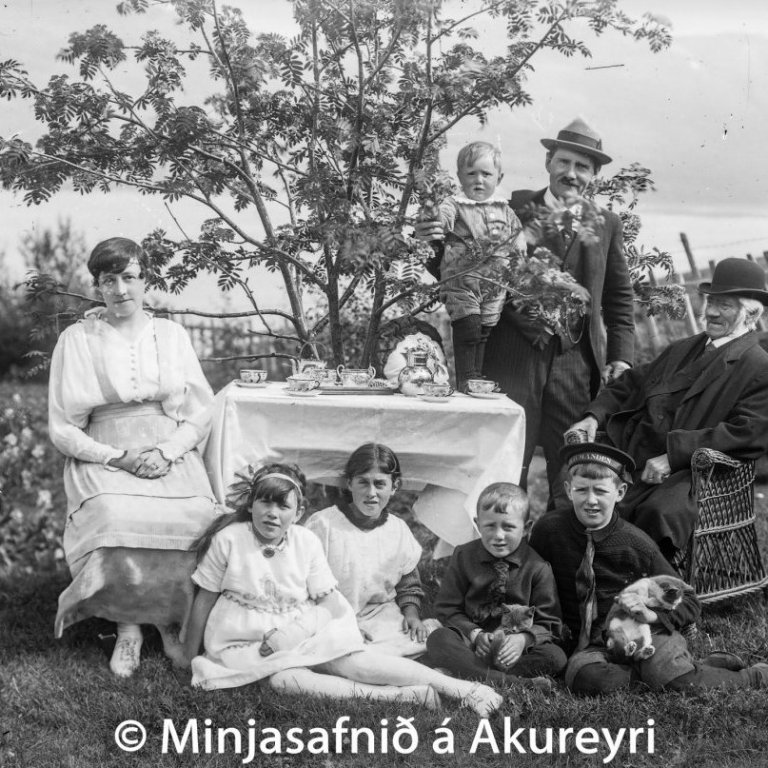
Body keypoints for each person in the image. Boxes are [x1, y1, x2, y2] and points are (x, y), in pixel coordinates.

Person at [416, 119, 635, 504]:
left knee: (572, 474)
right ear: (549, 161)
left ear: (594, 174)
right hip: (510, 357)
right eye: (564, 162)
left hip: (575, 368)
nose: (571, 174)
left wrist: (621, 357)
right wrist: (430, 242)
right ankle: (499, 560)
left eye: (582, 167)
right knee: (503, 470)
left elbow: (618, 299)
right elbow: (457, 264)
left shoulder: (608, 225)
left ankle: (561, 561)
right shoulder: (508, 206)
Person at [182, 463, 504, 717]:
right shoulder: (230, 540)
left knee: (351, 662)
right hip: (244, 639)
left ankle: (463, 690)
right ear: (251, 504)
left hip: (298, 627)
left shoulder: (304, 541)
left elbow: (326, 601)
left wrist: (293, 634)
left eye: (283, 506)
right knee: (285, 680)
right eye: (264, 502)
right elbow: (204, 598)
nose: (272, 513)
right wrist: (188, 655)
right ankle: (401, 696)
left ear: (299, 511)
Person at [49, 237, 220, 677]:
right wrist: (118, 457)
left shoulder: (171, 334)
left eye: (130, 277)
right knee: (115, 514)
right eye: (110, 280)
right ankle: (128, 629)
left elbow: (201, 409)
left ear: (146, 280)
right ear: (98, 286)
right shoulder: (77, 339)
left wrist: (169, 450)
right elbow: (63, 426)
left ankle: (169, 620)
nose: (121, 289)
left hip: (167, 447)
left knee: (198, 517)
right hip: (107, 449)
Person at [567, 257, 768, 564]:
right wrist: (592, 417)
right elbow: (631, 383)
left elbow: (748, 432)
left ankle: (636, 576)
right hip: (633, 452)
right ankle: (576, 568)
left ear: (750, 313)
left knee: (658, 511)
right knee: (583, 483)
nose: (711, 311)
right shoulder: (684, 347)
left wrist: (674, 456)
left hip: (694, 471)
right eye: (711, 301)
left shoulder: (758, 366)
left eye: (725, 306)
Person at [529, 442, 768, 694]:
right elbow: (530, 576)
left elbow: (689, 601)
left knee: (682, 683)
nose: (591, 500)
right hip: (593, 645)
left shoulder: (636, 544)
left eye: (600, 490)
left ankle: (753, 676)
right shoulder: (548, 531)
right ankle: (680, 671)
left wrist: (652, 616)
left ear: (620, 492)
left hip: (643, 632)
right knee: (588, 680)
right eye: (581, 490)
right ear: (568, 490)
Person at [305, 443, 440, 657]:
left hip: (379, 615)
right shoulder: (324, 524)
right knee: (337, 646)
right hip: (330, 613)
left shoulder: (397, 530)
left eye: (379, 484)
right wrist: (341, 623)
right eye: (363, 483)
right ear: (349, 483)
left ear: (394, 486)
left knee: (422, 639)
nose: (371, 493)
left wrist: (412, 615)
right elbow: (306, 584)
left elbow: (409, 584)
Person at [425, 483, 567, 685]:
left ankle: (467, 671)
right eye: (490, 526)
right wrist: (475, 634)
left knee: (556, 656)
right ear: (477, 524)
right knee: (439, 639)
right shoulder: (463, 556)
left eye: (508, 527)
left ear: (526, 528)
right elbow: (447, 608)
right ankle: (512, 682)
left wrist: (523, 640)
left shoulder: (538, 567)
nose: (498, 535)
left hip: (513, 652)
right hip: (472, 644)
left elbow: (550, 623)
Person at [436, 141, 527, 390]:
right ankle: (465, 377)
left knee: (485, 328)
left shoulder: (504, 208)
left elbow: (517, 233)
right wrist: (436, 222)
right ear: (459, 177)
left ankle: (476, 375)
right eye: (471, 173)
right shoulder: (454, 203)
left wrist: (520, 252)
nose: (478, 180)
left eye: (486, 174)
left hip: (494, 284)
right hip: (462, 278)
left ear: (499, 177)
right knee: (468, 326)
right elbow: (443, 218)